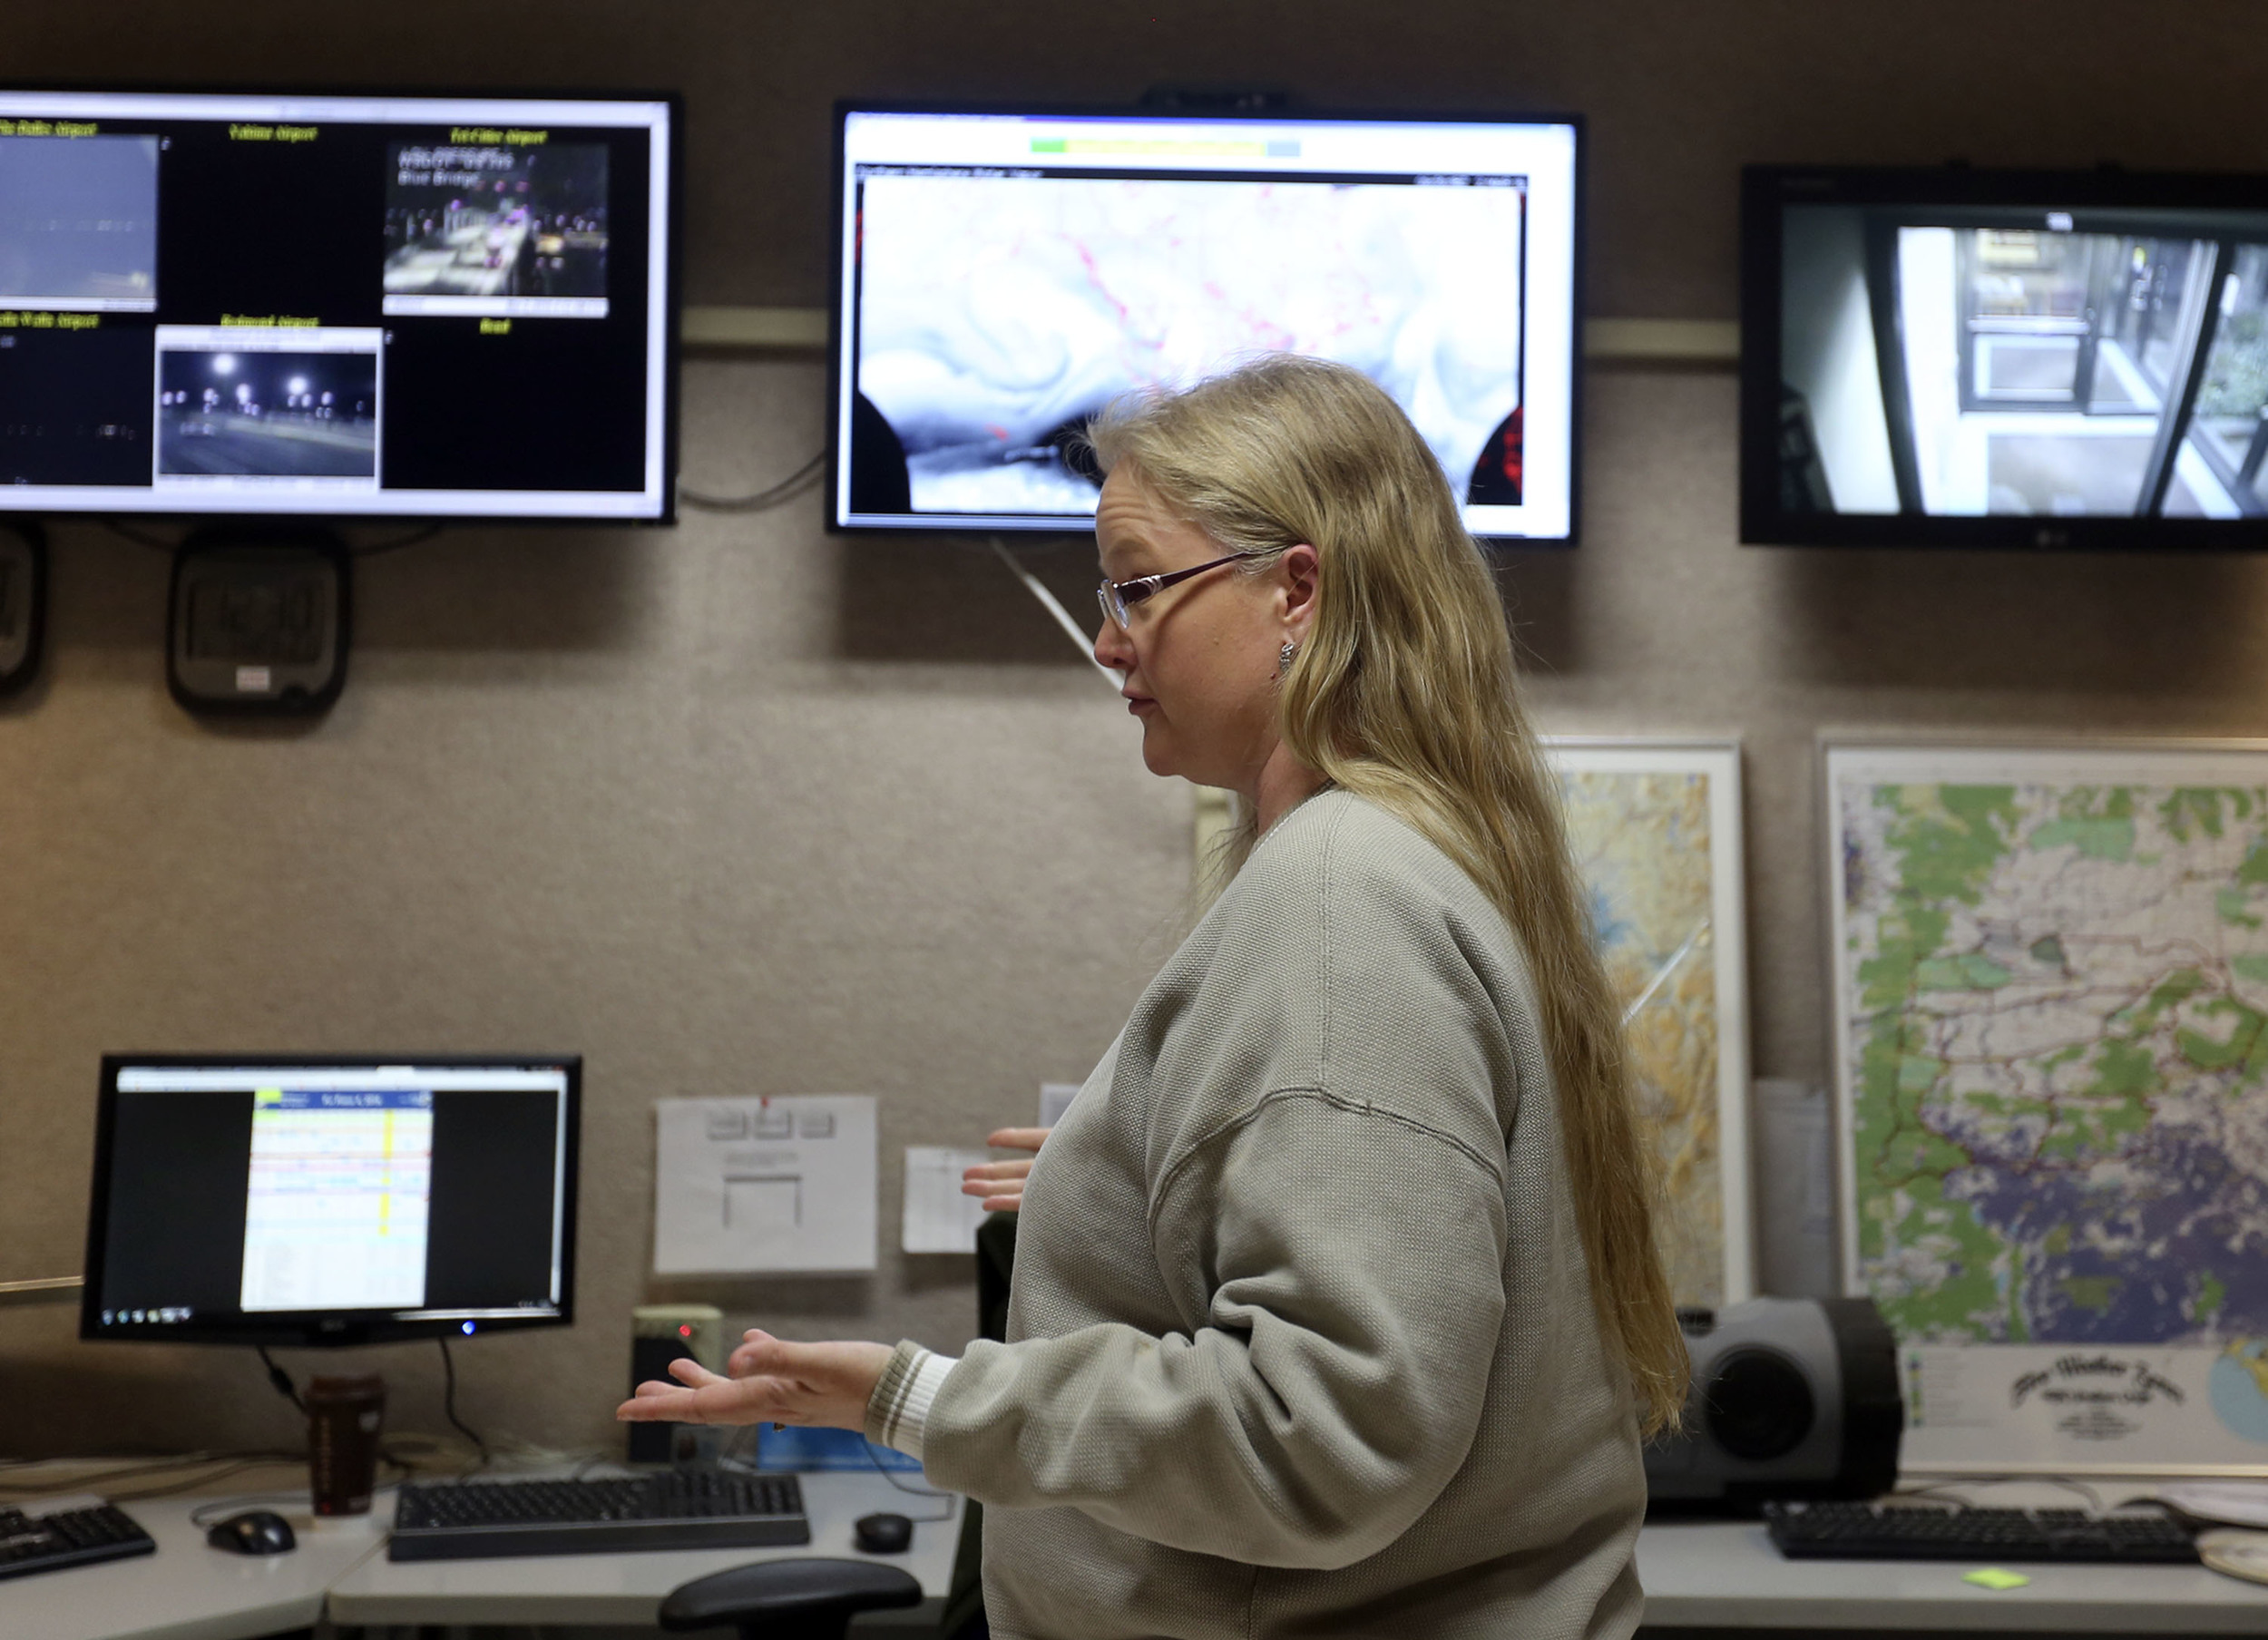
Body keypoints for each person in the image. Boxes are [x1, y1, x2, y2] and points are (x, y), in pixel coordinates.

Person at [621, 354, 1688, 1639]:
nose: (1106, 638)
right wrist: (1127, 1177)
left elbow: (1323, 1437)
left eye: (1137, 586)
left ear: (1298, 589)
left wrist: (915, 1400)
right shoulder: (1422, 863)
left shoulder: (1342, 897)